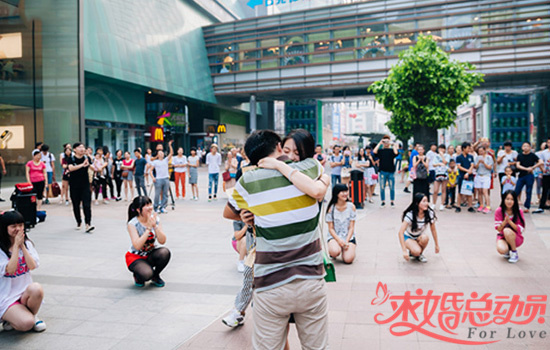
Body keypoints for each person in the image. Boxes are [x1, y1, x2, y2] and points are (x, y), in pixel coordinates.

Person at [223, 130, 329, 350]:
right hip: (311, 280)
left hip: (271, 284)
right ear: (280, 147)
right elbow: (320, 184)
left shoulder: (248, 181)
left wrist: (250, 215)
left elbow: (228, 213)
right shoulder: (310, 167)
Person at [0, 211, 46, 332]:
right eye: (13, 226)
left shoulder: (27, 244)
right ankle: (9, 318)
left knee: (36, 288)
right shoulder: (1, 249)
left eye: (20, 225)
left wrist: (22, 247)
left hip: (24, 294)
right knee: (26, 324)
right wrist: (15, 247)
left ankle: (33, 315)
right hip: (6, 297)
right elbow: (10, 269)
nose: (18, 229)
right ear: (5, 228)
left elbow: (32, 266)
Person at [125, 196, 170, 287]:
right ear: (138, 210)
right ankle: (138, 275)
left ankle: (156, 275)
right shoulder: (132, 224)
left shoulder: (155, 220)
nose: (150, 207)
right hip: (135, 257)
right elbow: (137, 245)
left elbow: (162, 241)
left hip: (150, 254)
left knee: (164, 252)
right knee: (146, 274)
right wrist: (148, 228)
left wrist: (155, 226)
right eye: (146, 205)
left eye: (150, 204)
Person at [398, 193, 440, 263]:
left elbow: (433, 229)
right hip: (408, 237)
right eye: (423, 201)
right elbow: (400, 232)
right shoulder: (410, 214)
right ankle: (415, 252)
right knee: (416, 251)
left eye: (427, 201)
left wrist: (437, 245)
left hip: (419, 236)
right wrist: (404, 251)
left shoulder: (429, 213)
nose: (426, 203)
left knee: (425, 238)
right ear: (417, 203)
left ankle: (419, 254)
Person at [67, 143, 94, 233]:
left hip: (85, 185)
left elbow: (93, 166)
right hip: (74, 185)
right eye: (79, 147)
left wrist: (90, 162)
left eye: (83, 147)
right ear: (74, 149)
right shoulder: (71, 158)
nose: (82, 149)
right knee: (76, 204)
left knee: (87, 204)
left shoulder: (87, 158)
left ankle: (88, 224)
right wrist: (82, 165)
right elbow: (70, 168)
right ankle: (79, 221)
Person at [326, 184, 357, 264]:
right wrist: (339, 241)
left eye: (346, 191)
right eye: (342, 192)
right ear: (336, 194)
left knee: (348, 259)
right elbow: (331, 228)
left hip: (348, 237)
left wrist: (346, 241)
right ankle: (336, 249)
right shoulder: (331, 208)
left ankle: (347, 249)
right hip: (335, 237)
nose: (345, 194)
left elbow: (351, 227)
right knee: (335, 251)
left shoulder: (351, 206)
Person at [495, 190, 525, 263]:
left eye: (512, 199)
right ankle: (507, 250)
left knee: (507, 230)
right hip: (503, 237)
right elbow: (498, 229)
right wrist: (505, 222)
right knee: (502, 250)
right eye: (507, 199)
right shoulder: (499, 210)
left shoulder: (518, 211)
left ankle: (514, 252)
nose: (509, 201)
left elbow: (520, 229)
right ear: (504, 200)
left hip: (516, 237)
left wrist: (510, 222)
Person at [515, 142, 542, 213]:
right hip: (521, 175)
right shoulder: (520, 155)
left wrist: (533, 167)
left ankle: (527, 207)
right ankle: (512, 205)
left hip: (529, 176)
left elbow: (541, 162)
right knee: (517, 190)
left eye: (527, 146)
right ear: (522, 147)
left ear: (530, 147)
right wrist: (527, 169)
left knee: (528, 191)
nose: (525, 147)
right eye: (524, 146)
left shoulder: (532, 155)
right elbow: (518, 165)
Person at [149, 141, 174, 213]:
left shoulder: (165, 160)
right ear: (158, 154)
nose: (161, 154)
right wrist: (153, 177)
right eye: (160, 153)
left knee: (165, 194)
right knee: (157, 194)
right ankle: (156, 207)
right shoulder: (155, 162)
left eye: (162, 153)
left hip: (166, 178)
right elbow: (150, 171)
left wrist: (170, 145)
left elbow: (171, 153)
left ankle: (163, 207)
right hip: (158, 179)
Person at [374, 135, 398, 208]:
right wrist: (380, 143)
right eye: (385, 142)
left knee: (392, 187)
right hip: (382, 171)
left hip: (391, 171)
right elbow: (374, 151)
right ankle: (383, 201)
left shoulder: (391, 150)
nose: (386, 143)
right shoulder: (381, 151)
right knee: (382, 187)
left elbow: (396, 153)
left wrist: (392, 144)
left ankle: (392, 201)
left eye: (387, 141)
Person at [456, 142, 475, 213]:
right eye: (468, 148)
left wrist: (468, 172)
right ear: (464, 148)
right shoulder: (459, 157)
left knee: (469, 191)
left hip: (469, 176)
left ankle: (470, 206)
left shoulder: (471, 157)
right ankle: (458, 206)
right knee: (460, 192)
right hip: (461, 176)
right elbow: (459, 166)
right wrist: (467, 171)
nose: (469, 149)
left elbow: (472, 165)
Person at [474, 146, 494, 214]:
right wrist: (478, 163)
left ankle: (488, 206)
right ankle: (481, 205)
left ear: (485, 150)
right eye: (479, 151)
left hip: (486, 176)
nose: (481, 152)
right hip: (479, 175)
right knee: (479, 191)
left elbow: (490, 167)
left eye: (482, 151)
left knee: (485, 191)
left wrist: (483, 163)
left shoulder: (489, 157)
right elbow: (475, 167)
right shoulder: (477, 157)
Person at [533, 137, 550, 214]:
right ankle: (541, 206)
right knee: (545, 190)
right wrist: (542, 169)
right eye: (549, 143)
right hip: (546, 173)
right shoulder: (544, 153)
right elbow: (539, 162)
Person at [432, 144, 449, 211]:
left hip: (444, 173)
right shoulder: (436, 156)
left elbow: (445, 162)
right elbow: (433, 164)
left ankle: (442, 204)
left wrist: (442, 155)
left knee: (443, 190)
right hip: (437, 173)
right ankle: (433, 204)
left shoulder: (447, 156)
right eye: (440, 149)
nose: (441, 150)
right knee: (435, 190)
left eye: (442, 149)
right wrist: (439, 164)